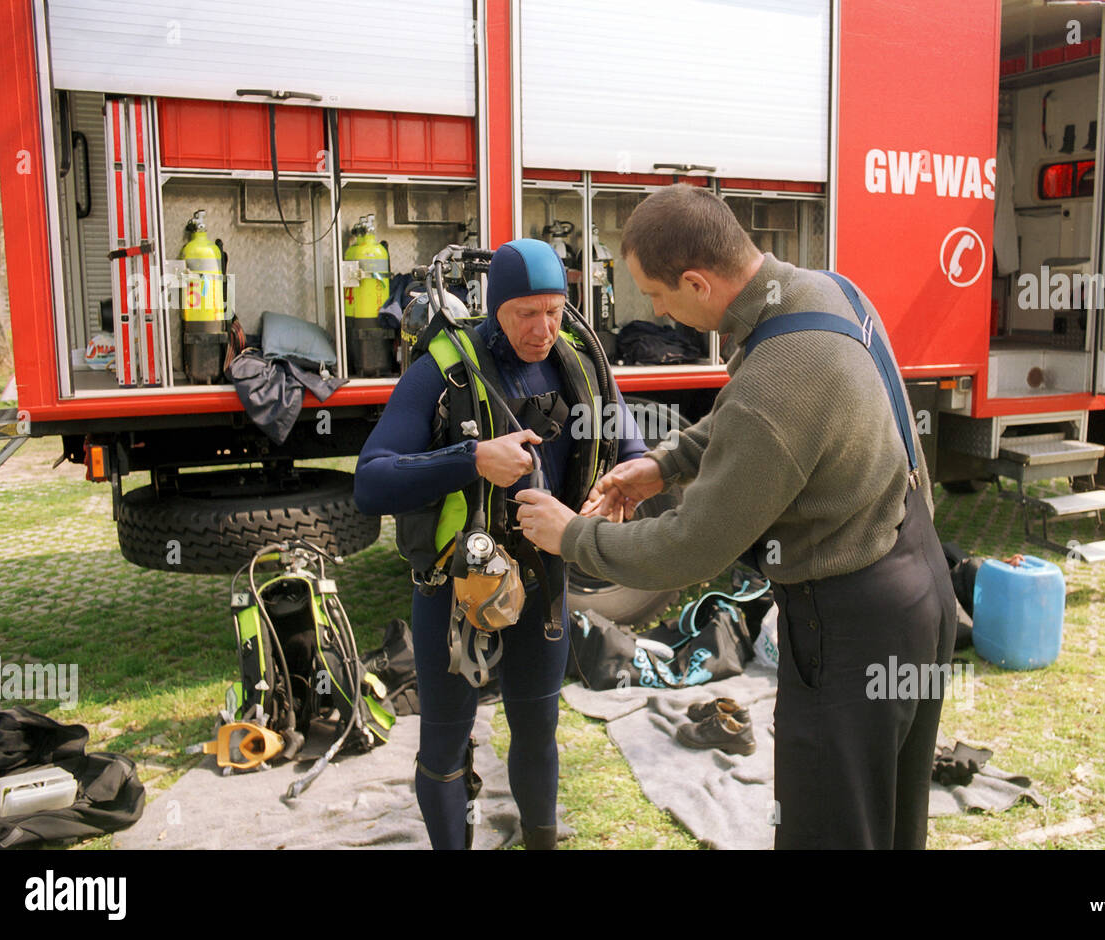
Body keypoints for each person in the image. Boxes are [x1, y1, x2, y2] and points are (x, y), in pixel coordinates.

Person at [515, 185, 958, 849]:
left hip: (850, 627)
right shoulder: (823, 291)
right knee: (891, 827)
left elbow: (690, 548)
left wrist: (573, 536)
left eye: (659, 297)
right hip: (921, 589)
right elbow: (756, 418)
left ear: (697, 281)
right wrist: (666, 464)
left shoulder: (778, 375)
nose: (659, 311)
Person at [355, 238, 646, 850]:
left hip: (544, 586)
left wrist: (619, 487)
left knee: (538, 728)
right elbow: (371, 481)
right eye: (526, 314)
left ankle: (542, 840)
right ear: (496, 308)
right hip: (455, 590)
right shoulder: (441, 369)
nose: (544, 329)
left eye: (554, 310)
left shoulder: (581, 365)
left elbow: (632, 453)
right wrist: (471, 458)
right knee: (444, 743)